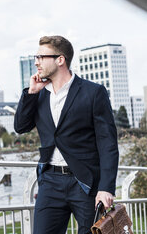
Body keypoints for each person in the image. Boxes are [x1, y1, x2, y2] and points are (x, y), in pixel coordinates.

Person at [14, 36, 119, 234]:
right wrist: (30, 93)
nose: (36, 62)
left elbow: (108, 143)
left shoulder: (93, 92)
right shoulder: (39, 94)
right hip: (50, 182)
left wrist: (106, 188)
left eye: (41, 57)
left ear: (60, 60)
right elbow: (20, 127)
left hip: (86, 182)